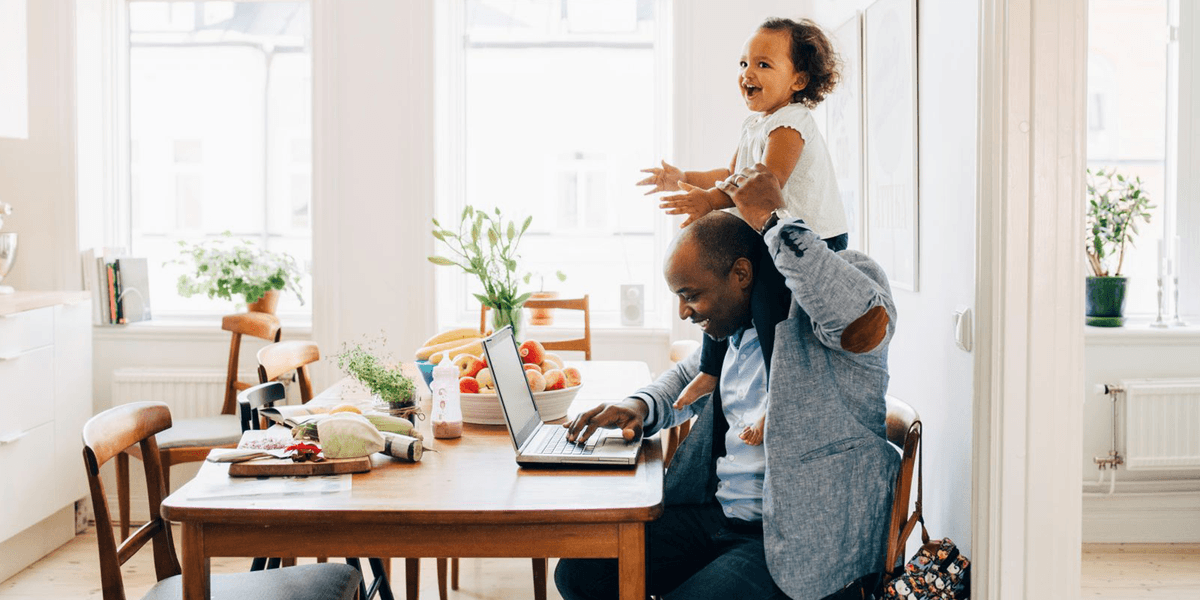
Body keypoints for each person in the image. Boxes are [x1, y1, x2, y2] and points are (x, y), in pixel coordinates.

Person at [555, 164, 899, 600]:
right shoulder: (736, 325)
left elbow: (862, 322)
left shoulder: (840, 286)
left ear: (740, 274)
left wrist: (773, 219)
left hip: (791, 540)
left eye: (691, 295)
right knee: (579, 574)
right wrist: (640, 406)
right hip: (716, 516)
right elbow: (688, 373)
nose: (684, 313)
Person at [638, 17, 850, 432]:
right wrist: (683, 176)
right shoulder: (754, 124)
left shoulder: (792, 123)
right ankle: (710, 369)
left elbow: (763, 185)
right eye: (742, 64)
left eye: (763, 65)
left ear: (799, 79)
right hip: (769, 232)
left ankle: (778, 397)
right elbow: (730, 173)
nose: (747, 74)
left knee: (768, 302)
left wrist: (710, 201)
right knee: (720, 289)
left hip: (809, 239)